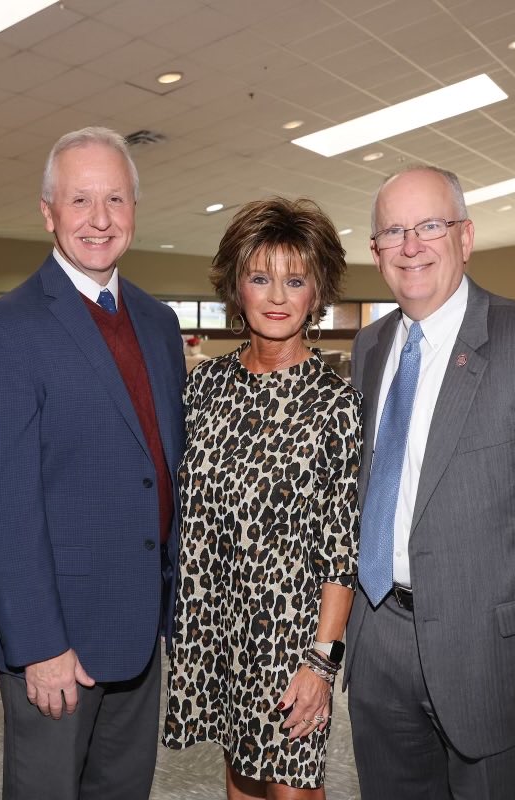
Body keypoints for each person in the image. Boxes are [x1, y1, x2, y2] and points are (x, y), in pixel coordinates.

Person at [346, 166, 515, 799]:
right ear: (376, 251)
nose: (411, 245)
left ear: (465, 238)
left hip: (498, 659)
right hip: (380, 642)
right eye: (394, 231)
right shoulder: (369, 348)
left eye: (430, 226)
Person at [0, 126, 185, 800]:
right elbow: (4, 504)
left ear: (135, 212)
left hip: (139, 625)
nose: (100, 219)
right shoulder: (10, 329)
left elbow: (161, 468)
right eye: (81, 200)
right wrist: (39, 644)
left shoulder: (158, 322)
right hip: (57, 637)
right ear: (48, 211)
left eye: (115, 200)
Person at [163, 197, 361, 799]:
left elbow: (339, 547)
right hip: (218, 625)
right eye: (260, 277)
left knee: (291, 789)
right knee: (240, 784)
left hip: (291, 637)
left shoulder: (334, 402)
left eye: (294, 280)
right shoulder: (206, 387)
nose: (277, 296)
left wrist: (321, 663)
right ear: (236, 287)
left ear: (316, 292)